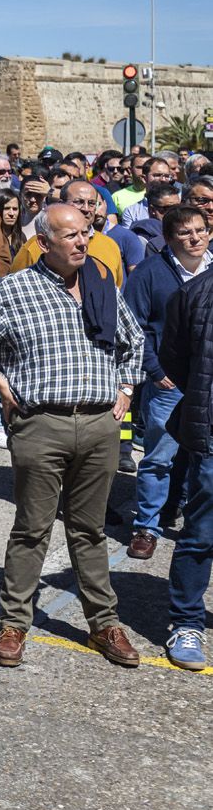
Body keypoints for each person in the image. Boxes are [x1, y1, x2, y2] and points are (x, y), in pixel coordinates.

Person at [0, 204, 143, 670]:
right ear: (44, 242)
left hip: (99, 425)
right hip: (41, 425)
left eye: (86, 233)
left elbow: (134, 342)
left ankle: (104, 624)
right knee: (32, 529)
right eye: (71, 235)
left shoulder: (101, 284)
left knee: (89, 530)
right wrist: (0, 382)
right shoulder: (17, 289)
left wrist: (127, 390)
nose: (82, 242)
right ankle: (14, 623)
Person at [123, 204, 210, 560]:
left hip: (207, 384)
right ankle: (147, 525)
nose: (195, 238)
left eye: (201, 230)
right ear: (170, 239)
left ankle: (195, 518)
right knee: (159, 458)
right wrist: (156, 373)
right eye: (185, 233)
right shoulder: (149, 273)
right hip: (169, 384)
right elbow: (132, 326)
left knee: (203, 458)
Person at [159, 248, 213, 669]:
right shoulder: (195, 293)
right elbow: (173, 357)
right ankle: (186, 622)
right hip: (210, 432)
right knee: (201, 533)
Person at [10, 180, 125, 286]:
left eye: (91, 203)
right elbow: (14, 287)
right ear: (61, 203)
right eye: (79, 202)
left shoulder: (110, 246)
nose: (86, 209)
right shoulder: (35, 247)